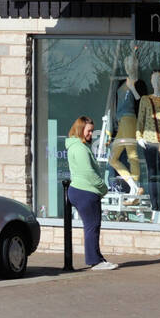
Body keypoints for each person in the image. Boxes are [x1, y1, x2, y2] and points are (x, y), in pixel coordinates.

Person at [66, 115, 117, 270]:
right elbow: (88, 173)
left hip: (81, 190)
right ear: (81, 129)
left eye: (92, 131)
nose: (91, 134)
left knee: (92, 226)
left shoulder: (78, 146)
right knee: (92, 226)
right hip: (85, 191)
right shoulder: (80, 148)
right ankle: (95, 261)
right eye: (89, 131)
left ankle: (97, 258)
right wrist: (103, 187)